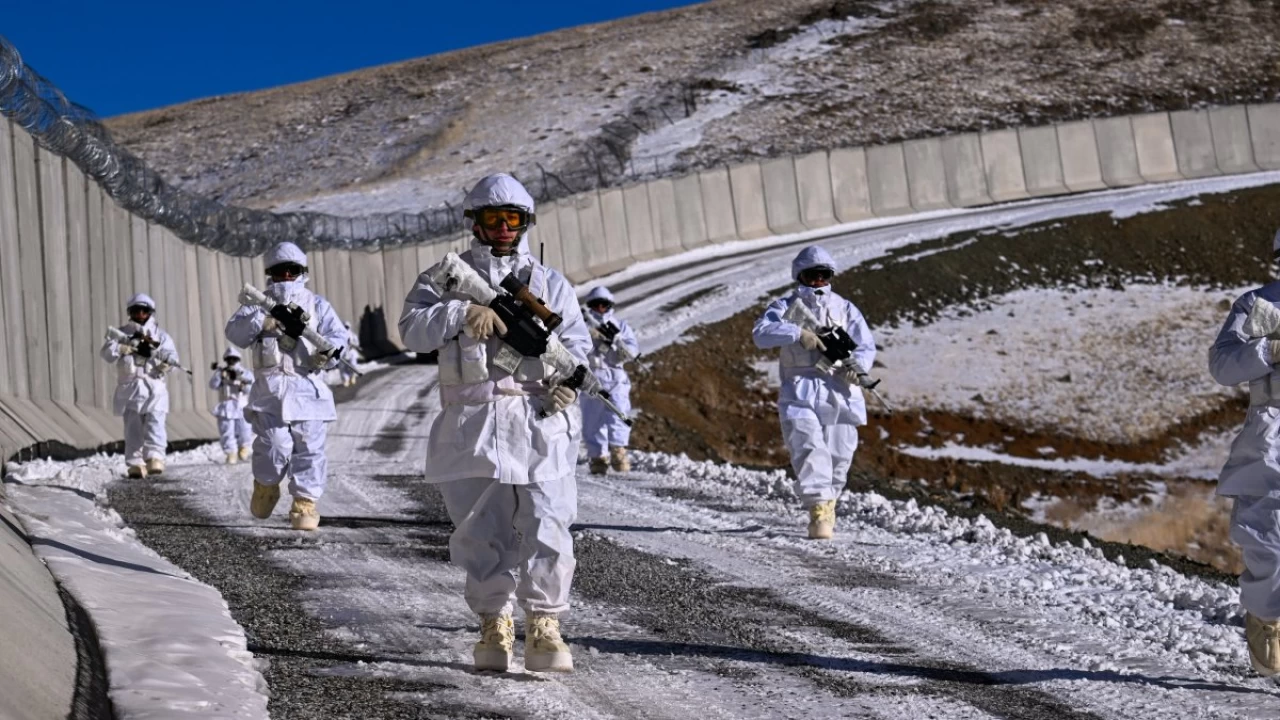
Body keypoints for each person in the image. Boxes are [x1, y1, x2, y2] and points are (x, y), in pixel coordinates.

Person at [399, 173, 590, 673]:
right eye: (492, 218)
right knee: (481, 529)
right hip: (474, 424)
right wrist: (462, 311)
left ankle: (545, 626)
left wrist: (568, 384)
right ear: (475, 223)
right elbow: (412, 330)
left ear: (525, 224)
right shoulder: (444, 277)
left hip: (538, 420)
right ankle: (494, 624)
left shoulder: (550, 285)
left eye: (512, 219)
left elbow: (579, 349)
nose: (503, 228)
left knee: (549, 522)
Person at [751, 246, 876, 540]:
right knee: (807, 445)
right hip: (800, 387)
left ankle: (829, 506)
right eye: (812, 275)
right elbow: (761, 334)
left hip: (839, 388)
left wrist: (856, 368)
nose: (819, 280)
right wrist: (798, 333)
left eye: (824, 274)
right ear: (800, 276)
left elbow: (865, 345)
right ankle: (818, 509)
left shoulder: (845, 308)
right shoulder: (785, 306)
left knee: (839, 454)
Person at [225, 241, 347, 532]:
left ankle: (305, 504)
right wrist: (262, 318)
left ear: (302, 272)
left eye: (293, 270)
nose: (287, 276)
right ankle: (266, 485)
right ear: (271, 273)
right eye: (281, 271)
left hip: (308, 390)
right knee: (273, 447)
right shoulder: (257, 302)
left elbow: (337, 339)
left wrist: (326, 354)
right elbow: (235, 333)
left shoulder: (317, 305)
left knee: (309, 449)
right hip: (270, 393)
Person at [1209, 230, 1280, 677]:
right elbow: (1222, 364)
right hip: (1273, 433)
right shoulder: (1259, 305)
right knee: (1270, 539)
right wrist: (1269, 348)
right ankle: (1267, 621)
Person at [100, 293, 179, 478]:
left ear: (150, 312)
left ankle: (155, 458)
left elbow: (173, 359)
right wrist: (119, 348)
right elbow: (106, 353)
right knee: (132, 428)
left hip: (154, 388)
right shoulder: (122, 334)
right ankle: (135, 463)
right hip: (130, 389)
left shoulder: (161, 336)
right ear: (130, 312)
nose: (141, 314)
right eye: (136, 310)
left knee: (155, 424)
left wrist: (166, 364)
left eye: (145, 310)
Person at [580, 286, 639, 475]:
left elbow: (632, 351)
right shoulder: (582, 324)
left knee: (619, 416)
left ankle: (619, 453)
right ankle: (597, 459)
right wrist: (589, 337)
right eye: (595, 305)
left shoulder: (619, 327)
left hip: (615, 379)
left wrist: (615, 342)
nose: (599, 308)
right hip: (592, 379)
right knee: (592, 421)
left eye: (603, 305)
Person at [209, 347, 255, 465]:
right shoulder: (222, 372)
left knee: (245, 430)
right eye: (229, 359)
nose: (231, 361)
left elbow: (252, 388)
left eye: (234, 359)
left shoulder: (245, 373)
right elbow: (213, 385)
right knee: (226, 430)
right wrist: (219, 375)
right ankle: (231, 453)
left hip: (241, 405)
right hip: (227, 406)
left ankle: (244, 449)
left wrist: (242, 385)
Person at [339, 322, 362, 387]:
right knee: (342, 367)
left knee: (353, 365)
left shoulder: (353, 335)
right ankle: (346, 379)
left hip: (351, 352)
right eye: (345, 327)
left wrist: (352, 343)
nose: (346, 328)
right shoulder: (340, 335)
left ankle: (353, 377)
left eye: (347, 327)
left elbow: (357, 344)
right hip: (343, 353)